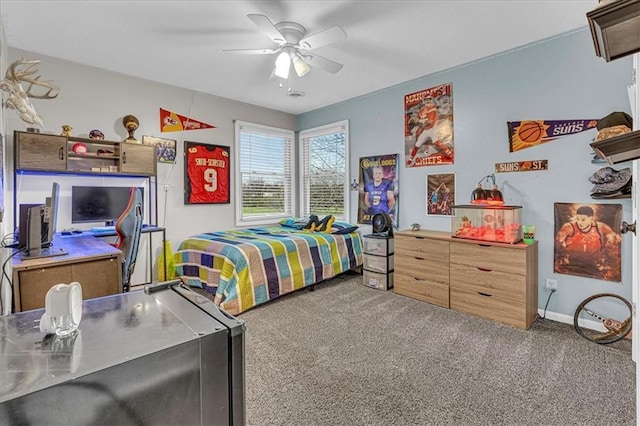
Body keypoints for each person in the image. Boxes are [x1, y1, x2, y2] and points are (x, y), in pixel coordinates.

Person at [554, 205, 621, 280]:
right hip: (572, 266)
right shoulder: (568, 228)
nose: (579, 222)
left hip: (595, 268)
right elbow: (557, 247)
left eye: (583, 220)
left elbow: (615, 249)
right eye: (577, 219)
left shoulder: (601, 228)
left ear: (591, 218)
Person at [406, 97, 453, 165]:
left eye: (428, 99)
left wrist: (419, 120)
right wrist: (414, 120)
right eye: (425, 100)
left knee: (436, 142)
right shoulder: (421, 110)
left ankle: (450, 154)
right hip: (426, 129)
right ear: (423, 101)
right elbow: (419, 119)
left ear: (431, 100)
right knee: (416, 145)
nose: (427, 101)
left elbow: (430, 121)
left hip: (432, 128)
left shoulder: (432, 108)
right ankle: (410, 159)